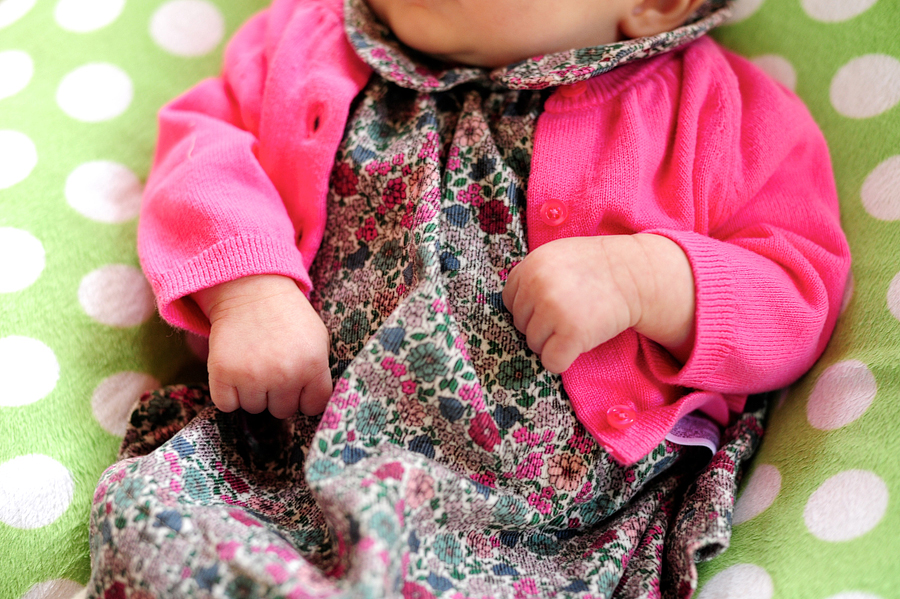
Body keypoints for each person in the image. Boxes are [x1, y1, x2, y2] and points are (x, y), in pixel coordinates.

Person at [88, 0, 850, 596]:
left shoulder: (718, 110)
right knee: (147, 519)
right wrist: (249, 294)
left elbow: (797, 286)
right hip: (289, 454)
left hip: (541, 518)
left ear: (651, 4)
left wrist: (647, 279)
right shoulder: (310, 36)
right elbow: (204, 150)